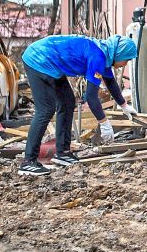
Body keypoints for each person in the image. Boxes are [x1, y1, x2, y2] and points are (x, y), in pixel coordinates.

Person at [18, 34, 138, 176]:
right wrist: (104, 123)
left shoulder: (105, 54)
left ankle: (63, 153)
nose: (127, 63)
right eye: (127, 59)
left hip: (52, 61)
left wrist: (124, 106)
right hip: (38, 58)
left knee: (67, 102)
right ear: (119, 54)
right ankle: (28, 162)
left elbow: (110, 82)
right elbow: (91, 98)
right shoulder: (98, 57)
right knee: (45, 110)